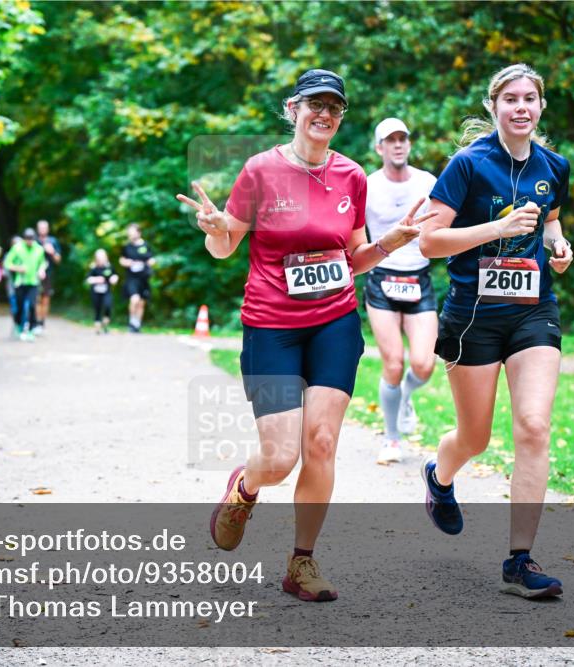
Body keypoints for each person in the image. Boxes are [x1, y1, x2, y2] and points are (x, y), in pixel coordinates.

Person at [176, 68, 433, 602]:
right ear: (292, 109)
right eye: (314, 104)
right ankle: (244, 491)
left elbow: (353, 257)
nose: (324, 114)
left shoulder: (351, 176)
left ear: (341, 118)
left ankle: (302, 563)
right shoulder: (259, 171)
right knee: (279, 456)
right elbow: (227, 248)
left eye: (334, 107)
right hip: (271, 327)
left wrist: (391, 242)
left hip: (335, 324)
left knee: (321, 444)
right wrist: (215, 229)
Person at [418, 63, 573, 599]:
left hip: (534, 310)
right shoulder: (467, 165)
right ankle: (439, 475)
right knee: (476, 437)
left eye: (530, 98)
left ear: (541, 106)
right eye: (511, 99)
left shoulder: (554, 165)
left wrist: (557, 246)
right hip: (473, 316)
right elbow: (429, 243)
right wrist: (497, 228)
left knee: (534, 426)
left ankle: (520, 561)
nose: (521, 107)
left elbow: (550, 217)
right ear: (494, 106)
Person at [364, 118, 439, 464]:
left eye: (402, 139)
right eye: (389, 140)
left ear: (409, 144)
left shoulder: (427, 182)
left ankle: (405, 396)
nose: (397, 145)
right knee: (393, 363)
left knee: (423, 365)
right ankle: (392, 439)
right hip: (382, 278)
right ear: (379, 148)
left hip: (418, 278)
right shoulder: (367, 186)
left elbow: (442, 227)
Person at [3, 228, 47, 342]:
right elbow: (7, 263)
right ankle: (18, 325)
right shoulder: (17, 248)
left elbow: (43, 262)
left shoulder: (39, 249)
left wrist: (41, 270)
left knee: (32, 305)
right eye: (27, 239)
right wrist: (18, 268)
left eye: (31, 239)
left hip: (33, 282)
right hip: (20, 282)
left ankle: (31, 329)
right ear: (24, 239)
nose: (29, 242)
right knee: (20, 306)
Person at [119, 223, 155, 332]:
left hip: (143, 278)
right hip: (132, 278)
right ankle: (132, 322)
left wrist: (150, 263)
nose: (130, 235)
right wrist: (127, 262)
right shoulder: (127, 247)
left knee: (141, 303)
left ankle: (137, 325)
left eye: (132, 232)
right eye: (129, 233)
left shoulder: (145, 245)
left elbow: (151, 259)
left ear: (139, 232)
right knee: (134, 299)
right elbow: (121, 260)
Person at [33, 219, 62, 334]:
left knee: (45, 299)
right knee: (36, 299)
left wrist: (52, 251)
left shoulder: (52, 241)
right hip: (34, 274)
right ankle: (35, 321)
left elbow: (58, 260)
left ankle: (42, 322)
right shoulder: (33, 241)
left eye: (44, 228)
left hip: (48, 274)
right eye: (40, 227)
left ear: (48, 229)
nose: (42, 230)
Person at [86, 249, 119, 334]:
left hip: (106, 291)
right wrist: (97, 279)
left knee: (108, 306)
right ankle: (97, 327)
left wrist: (114, 279)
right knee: (97, 308)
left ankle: (105, 324)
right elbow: (88, 279)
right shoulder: (93, 267)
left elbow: (115, 275)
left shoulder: (109, 267)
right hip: (95, 291)